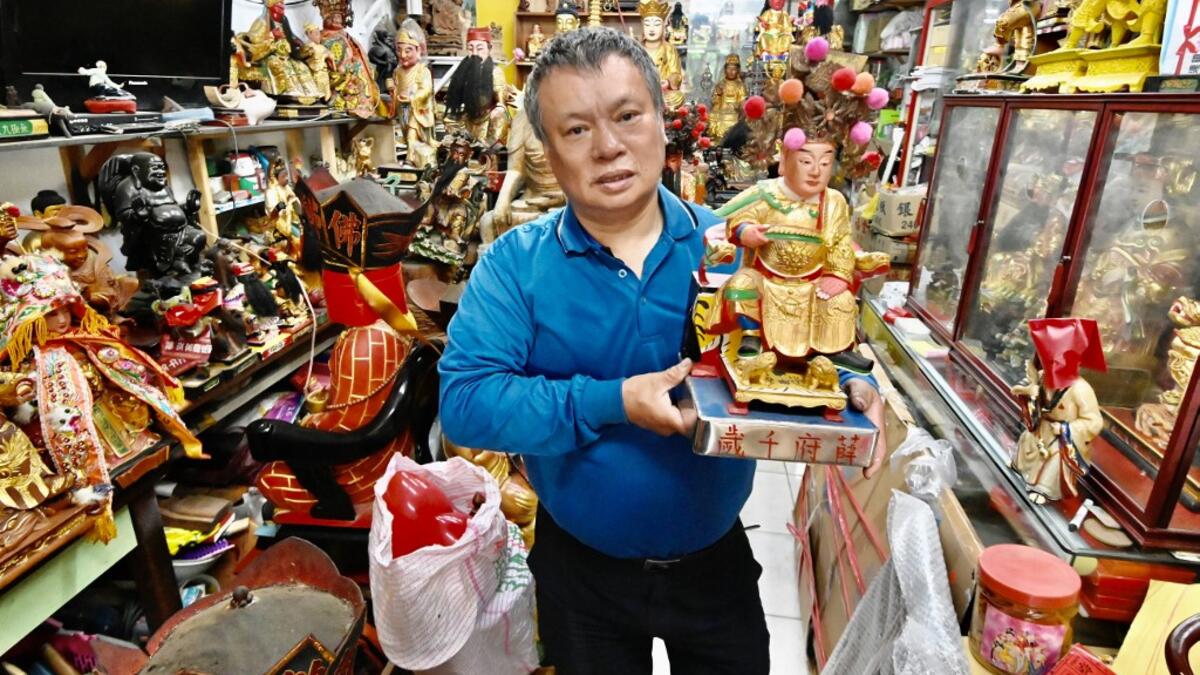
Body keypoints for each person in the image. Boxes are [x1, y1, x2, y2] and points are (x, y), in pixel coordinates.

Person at [439, 27, 883, 673]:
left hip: (716, 564)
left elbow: (806, 321)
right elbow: (467, 403)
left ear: (661, 122)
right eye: (576, 130)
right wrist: (613, 399)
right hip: (579, 571)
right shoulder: (515, 264)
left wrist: (842, 383)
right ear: (550, 151)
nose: (609, 147)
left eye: (626, 116)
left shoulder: (733, 245)